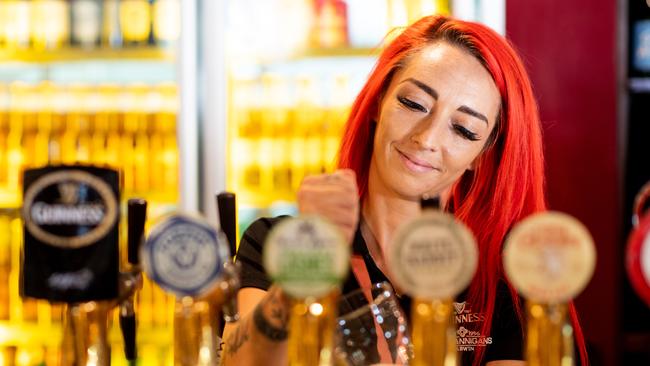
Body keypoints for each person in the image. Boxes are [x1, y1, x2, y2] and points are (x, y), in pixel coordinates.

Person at [220, 14, 589, 366]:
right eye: (414, 104)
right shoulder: (274, 242)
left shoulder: (509, 270)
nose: (426, 138)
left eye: (463, 129)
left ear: (482, 154)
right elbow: (239, 360)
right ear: (379, 101)